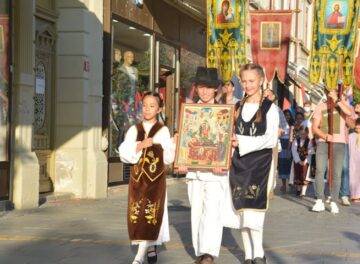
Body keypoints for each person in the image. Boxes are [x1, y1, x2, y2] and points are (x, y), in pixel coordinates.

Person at [224, 63, 279, 264]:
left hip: (260, 166)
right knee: (241, 210)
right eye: (244, 81)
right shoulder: (237, 107)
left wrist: (242, 142)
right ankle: (248, 255)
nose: (247, 85)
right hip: (238, 163)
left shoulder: (270, 108)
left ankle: (259, 253)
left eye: (251, 81)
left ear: (261, 80)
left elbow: (270, 139)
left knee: (254, 210)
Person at [176, 67, 227, 264]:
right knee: (196, 210)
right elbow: (182, 138)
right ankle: (200, 251)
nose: (204, 92)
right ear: (196, 88)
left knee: (212, 211)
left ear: (215, 89)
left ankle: (209, 253)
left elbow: (226, 139)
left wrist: (221, 161)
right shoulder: (189, 111)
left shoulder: (225, 112)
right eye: (201, 88)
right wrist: (180, 162)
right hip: (194, 171)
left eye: (209, 88)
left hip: (215, 173)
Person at [118, 92, 176, 264]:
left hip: (155, 181)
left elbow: (167, 158)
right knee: (138, 214)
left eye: (152, 106)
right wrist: (140, 145)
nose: (148, 109)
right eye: (145, 105)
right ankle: (150, 246)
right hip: (137, 180)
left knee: (151, 213)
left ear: (159, 109)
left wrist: (173, 144)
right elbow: (123, 153)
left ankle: (139, 256)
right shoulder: (134, 130)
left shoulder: (163, 130)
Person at [311, 89, 353, 214]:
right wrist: (325, 136)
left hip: (339, 143)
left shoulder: (343, 104)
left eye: (334, 91)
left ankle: (334, 201)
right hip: (323, 143)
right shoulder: (321, 106)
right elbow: (314, 127)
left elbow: (349, 113)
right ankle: (319, 199)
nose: (330, 93)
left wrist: (337, 100)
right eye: (329, 91)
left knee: (336, 173)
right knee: (319, 170)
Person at [292, 125, 314, 198]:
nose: (303, 135)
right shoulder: (296, 140)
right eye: (301, 134)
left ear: (307, 133)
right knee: (298, 175)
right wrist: (298, 160)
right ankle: (298, 189)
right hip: (298, 161)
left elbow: (311, 150)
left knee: (305, 176)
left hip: (306, 161)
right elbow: (294, 151)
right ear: (298, 133)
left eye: (304, 134)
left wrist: (305, 160)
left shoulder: (309, 141)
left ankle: (303, 192)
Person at [278, 110, 294, 193]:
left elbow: (291, 137)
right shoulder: (279, 124)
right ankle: (283, 184)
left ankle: (291, 183)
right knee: (282, 165)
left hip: (289, 144)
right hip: (281, 144)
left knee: (289, 164)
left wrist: (289, 148)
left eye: (288, 115)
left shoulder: (292, 125)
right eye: (285, 115)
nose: (287, 117)